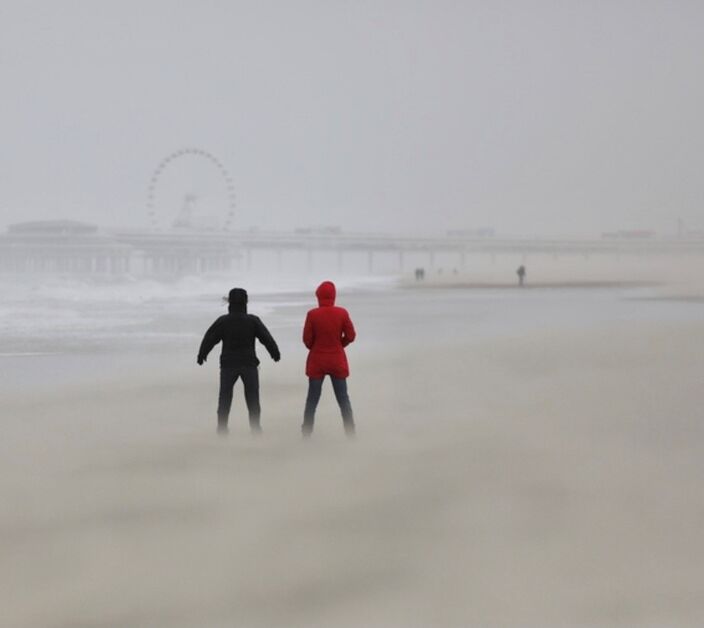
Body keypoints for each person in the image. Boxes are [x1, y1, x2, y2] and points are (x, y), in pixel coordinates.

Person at [197, 288, 280, 435]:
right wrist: (275, 353)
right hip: (249, 364)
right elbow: (266, 338)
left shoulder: (223, 321)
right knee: (252, 398)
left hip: (228, 365)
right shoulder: (253, 321)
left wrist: (202, 354)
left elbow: (209, 338)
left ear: (229, 302)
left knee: (225, 398)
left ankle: (222, 429)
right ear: (246, 302)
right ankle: (255, 429)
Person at [302, 281, 356, 436]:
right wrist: (339, 345)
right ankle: (351, 433)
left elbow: (307, 340)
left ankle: (306, 434)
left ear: (318, 296)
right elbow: (351, 336)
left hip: (317, 361)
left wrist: (317, 347)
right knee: (343, 400)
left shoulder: (312, 314)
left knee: (312, 400)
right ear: (334, 296)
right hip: (337, 361)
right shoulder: (342, 313)